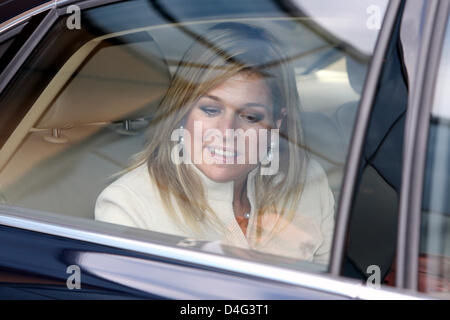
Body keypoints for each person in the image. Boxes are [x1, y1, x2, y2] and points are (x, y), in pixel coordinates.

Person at [95, 22, 335, 264]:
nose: (226, 131)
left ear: (277, 121)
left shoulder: (308, 182)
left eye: (250, 117)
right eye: (210, 110)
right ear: (183, 111)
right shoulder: (128, 206)